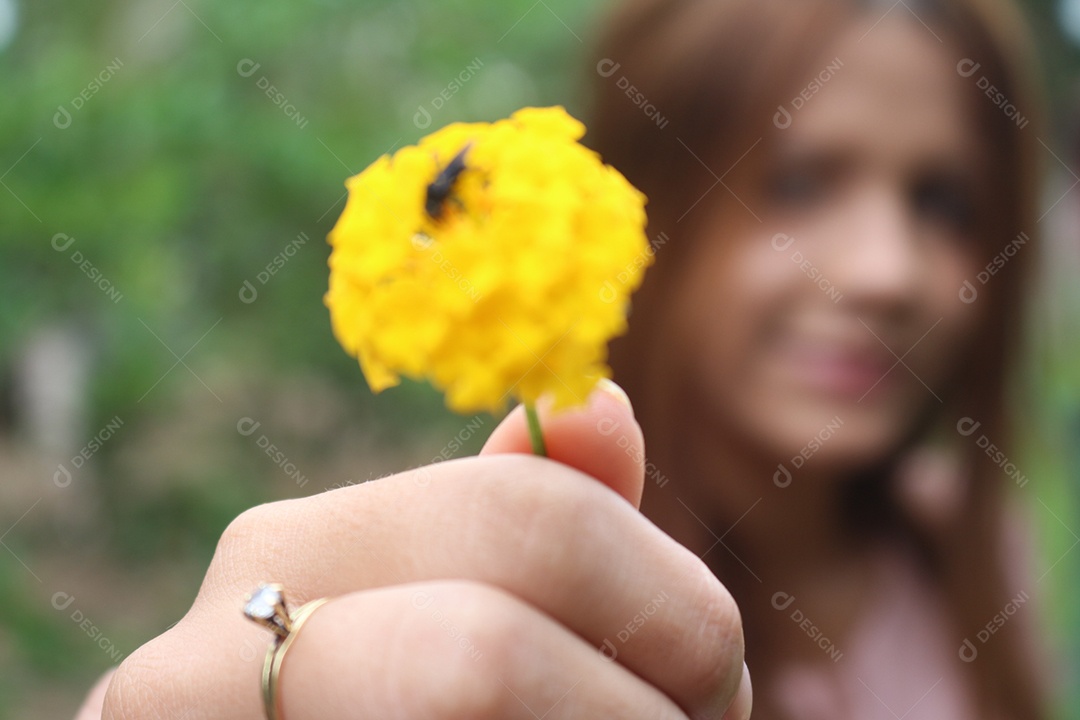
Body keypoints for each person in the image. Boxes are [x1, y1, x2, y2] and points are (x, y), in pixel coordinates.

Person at [75, 0, 1050, 717]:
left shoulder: (973, 552)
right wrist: (222, 682)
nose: (885, 271)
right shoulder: (473, 568)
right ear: (652, 202)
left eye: (944, 203)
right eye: (799, 183)